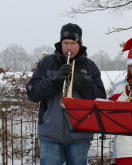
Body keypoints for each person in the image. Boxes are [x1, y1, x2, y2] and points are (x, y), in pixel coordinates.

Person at [26, 23, 106, 165]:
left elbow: (101, 98)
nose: (69, 47)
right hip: (50, 133)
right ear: (60, 43)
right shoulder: (46, 63)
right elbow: (32, 93)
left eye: (73, 43)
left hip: (80, 134)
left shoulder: (90, 66)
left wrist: (82, 83)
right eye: (65, 43)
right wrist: (56, 82)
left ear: (80, 44)